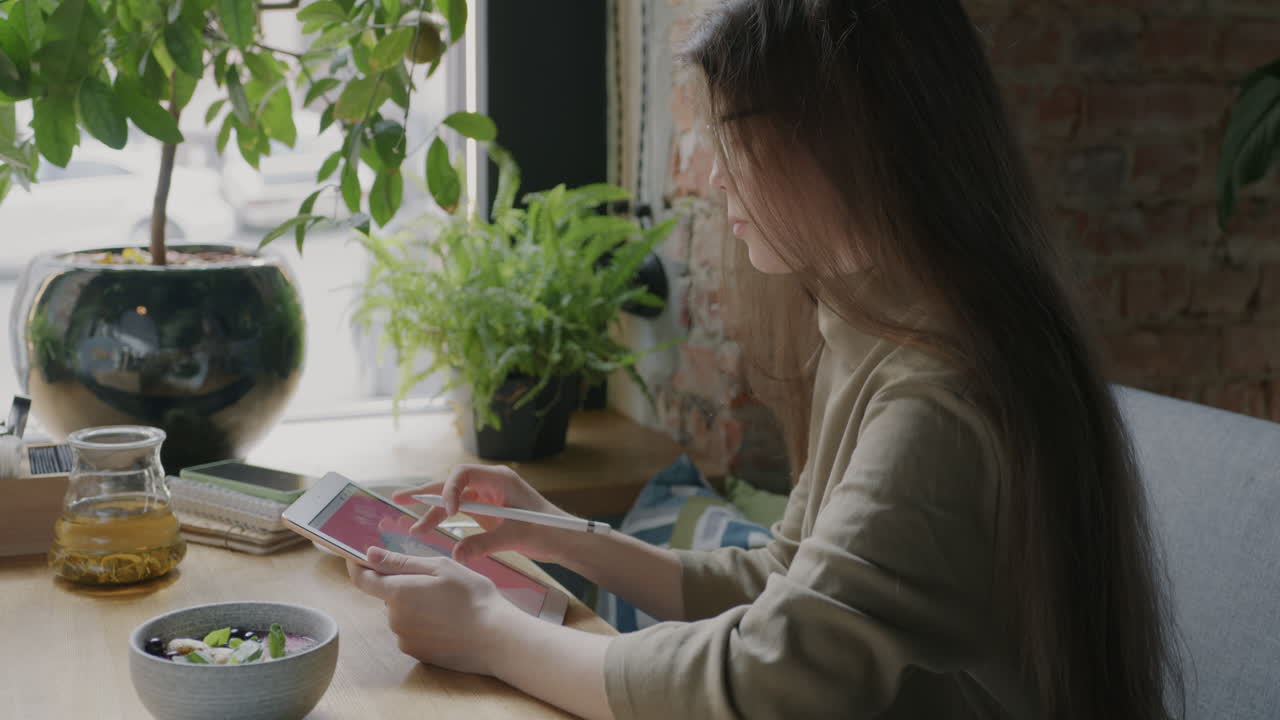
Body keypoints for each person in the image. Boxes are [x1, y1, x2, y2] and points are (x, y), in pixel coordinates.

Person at [346, 1, 1184, 718]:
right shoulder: (877, 326)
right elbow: (786, 580)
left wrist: (491, 632)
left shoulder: (942, 395)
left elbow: (767, 679)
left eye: (733, 137)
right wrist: (568, 538)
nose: (712, 176)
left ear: (853, 135)